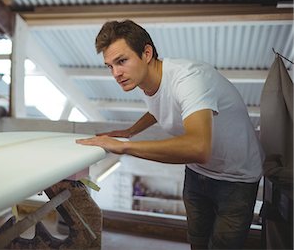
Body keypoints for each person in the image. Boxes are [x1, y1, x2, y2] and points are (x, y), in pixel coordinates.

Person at [76, 20, 265, 249]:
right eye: (109, 66)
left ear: (147, 53)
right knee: (197, 241)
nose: (116, 73)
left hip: (236, 176)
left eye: (122, 61)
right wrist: (130, 131)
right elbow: (161, 105)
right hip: (197, 174)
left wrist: (123, 147)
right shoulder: (145, 79)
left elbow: (198, 148)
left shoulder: (189, 78)